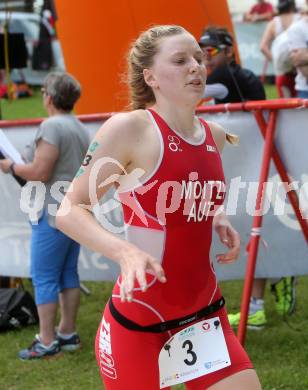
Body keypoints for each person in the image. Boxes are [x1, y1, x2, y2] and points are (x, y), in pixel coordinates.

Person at [55, 25, 262, 390]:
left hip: (203, 314)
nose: (196, 67)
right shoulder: (128, 129)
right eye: (181, 60)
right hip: (138, 321)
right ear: (150, 76)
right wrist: (125, 253)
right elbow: (69, 209)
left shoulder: (213, 135)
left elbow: (188, 192)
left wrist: (217, 215)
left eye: (199, 58)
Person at [0, 72, 90, 360]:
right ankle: (67, 333)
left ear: (49, 97)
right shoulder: (77, 126)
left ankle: (47, 339)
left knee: (44, 276)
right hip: (72, 210)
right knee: (67, 274)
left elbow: (39, 172)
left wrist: (10, 166)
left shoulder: (52, 126)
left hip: (51, 212)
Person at [199, 26, 266, 103]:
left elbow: (188, 94)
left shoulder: (223, 75)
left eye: (211, 50)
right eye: (201, 51)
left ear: (228, 51)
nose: (206, 57)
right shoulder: (240, 72)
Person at [260, 0, 300, 97]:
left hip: (282, 73)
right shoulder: (300, 19)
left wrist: (277, 61)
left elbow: (263, 47)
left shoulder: (274, 23)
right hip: (300, 70)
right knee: (303, 106)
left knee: (286, 108)